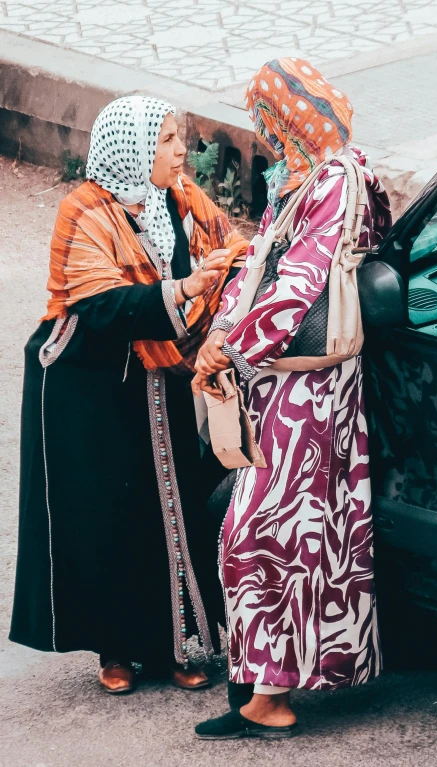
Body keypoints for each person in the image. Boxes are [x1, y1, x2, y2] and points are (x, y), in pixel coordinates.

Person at [9, 96, 248, 695]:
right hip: (86, 387)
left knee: (171, 507)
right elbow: (99, 306)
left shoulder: (179, 197)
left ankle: (180, 645)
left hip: (157, 371)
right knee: (106, 515)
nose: (179, 151)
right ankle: (114, 648)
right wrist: (186, 286)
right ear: (135, 150)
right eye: (167, 140)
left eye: (178, 139)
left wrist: (223, 282)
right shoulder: (83, 211)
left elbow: (233, 246)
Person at [192, 58, 392, 739]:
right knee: (294, 533)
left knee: (266, 530)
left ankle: (270, 693)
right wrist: (223, 334)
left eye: (269, 123)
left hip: (310, 387)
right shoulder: (307, 178)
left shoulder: (333, 180)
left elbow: (295, 284)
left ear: (289, 119)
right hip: (291, 380)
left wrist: (232, 344)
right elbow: (257, 264)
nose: (268, 137)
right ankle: (265, 689)